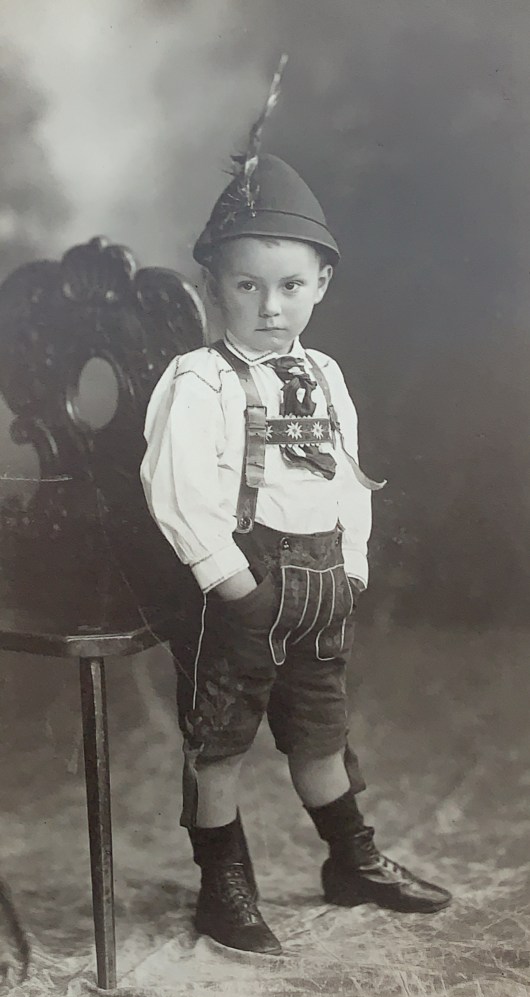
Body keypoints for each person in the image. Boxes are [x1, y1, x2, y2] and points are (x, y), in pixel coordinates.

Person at [140, 145, 452, 956]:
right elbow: (178, 494)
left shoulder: (326, 375)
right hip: (241, 592)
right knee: (220, 747)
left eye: (289, 286)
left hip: (322, 587)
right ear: (214, 285)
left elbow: (349, 479)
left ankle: (352, 860)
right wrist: (234, 584)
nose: (271, 307)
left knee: (320, 737)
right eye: (247, 286)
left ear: (321, 284)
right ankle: (222, 887)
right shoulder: (198, 381)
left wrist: (354, 567)